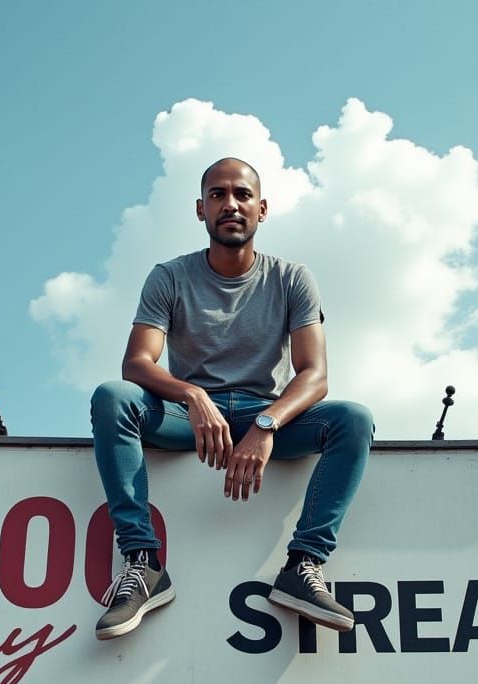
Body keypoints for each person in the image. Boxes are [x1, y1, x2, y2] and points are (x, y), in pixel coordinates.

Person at [90, 157, 374, 641]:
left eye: (242, 195)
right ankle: (143, 565)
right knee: (113, 398)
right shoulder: (169, 277)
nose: (230, 204)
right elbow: (137, 363)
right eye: (218, 195)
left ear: (262, 209)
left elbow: (315, 375)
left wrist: (266, 425)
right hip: (189, 417)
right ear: (200, 210)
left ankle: (303, 565)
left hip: (266, 415)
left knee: (352, 419)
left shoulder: (291, 278)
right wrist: (193, 395)